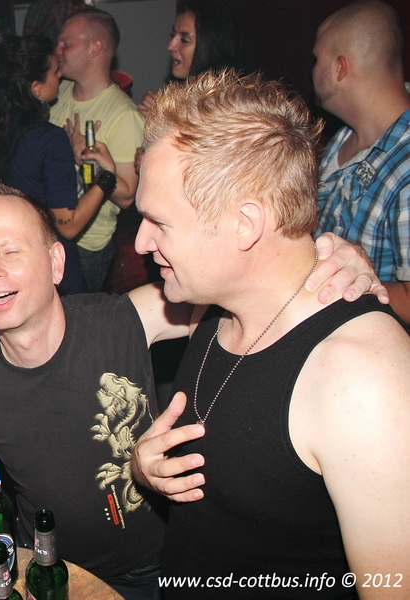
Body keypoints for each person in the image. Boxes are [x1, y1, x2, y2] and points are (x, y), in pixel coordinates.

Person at [0, 175, 384, 599]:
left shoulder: (124, 319)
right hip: (45, 564)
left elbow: (250, 292)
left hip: (150, 571)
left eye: (10, 251)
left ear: (56, 262)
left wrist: (322, 262)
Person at [130, 70, 410, 599]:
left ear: (246, 224)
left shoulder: (363, 379)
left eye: (159, 222)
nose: (142, 242)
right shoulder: (210, 304)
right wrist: (147, 471)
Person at [0, 34, 120, 294]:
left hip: (5, 257)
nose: (60, 75)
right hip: (47, 267)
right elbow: (68, 225)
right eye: (54, 71)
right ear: (36, 89)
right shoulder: (49, 138)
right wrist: (107, 176)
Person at [313, 0, 410, 324]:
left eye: (317, 59)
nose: (313, 70)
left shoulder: (406, 165)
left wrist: (345, 284)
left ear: (340, 67)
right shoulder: (344, 136)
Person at [51, 8, 141, 292]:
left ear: (95, 48)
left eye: (66, 44)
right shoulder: (58, 91)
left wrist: (84, 159)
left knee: (78, 317)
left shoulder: (124, 115)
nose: (57, 50)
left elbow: (127, 197)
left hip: (86, 247)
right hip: (47, 232)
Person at [137, 0, 241, 117]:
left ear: (211, 46)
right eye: (173, 35)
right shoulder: (182, 97)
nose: (170, 46)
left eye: (184, 40)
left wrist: (165, 118)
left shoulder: (227, 106)